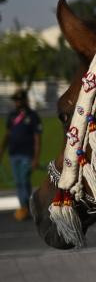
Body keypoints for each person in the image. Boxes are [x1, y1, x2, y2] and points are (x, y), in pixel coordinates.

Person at [2, 90, 41, 222]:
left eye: (19, 100)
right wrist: (1, 150)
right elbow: (7, 134)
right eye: (16, 100)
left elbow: (37, 138)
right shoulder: (12, 116)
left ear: (24, 100)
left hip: (27, 154)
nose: (17, 102)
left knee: (25, 181)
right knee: (18, 182)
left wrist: (36, 158)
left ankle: (26, 207)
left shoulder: (32, 116)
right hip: (14, 153)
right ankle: (23, 207)